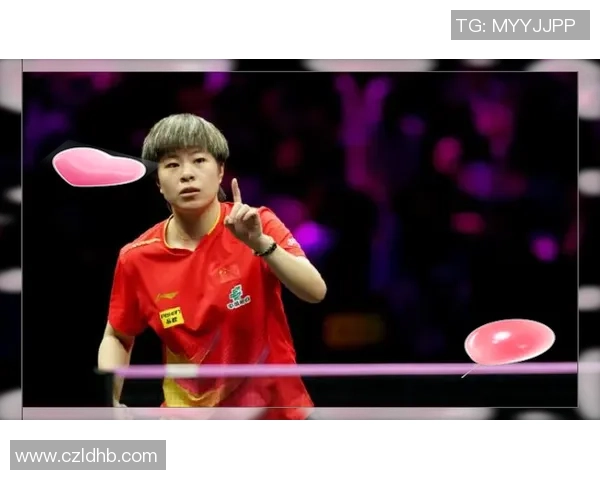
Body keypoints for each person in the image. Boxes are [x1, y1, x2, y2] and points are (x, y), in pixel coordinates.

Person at [97, 113, 326, 420]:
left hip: (277, 417)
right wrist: (109, 402)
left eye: (199, 161)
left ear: (220, 171)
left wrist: (260, 244)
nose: (186, 174)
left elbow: (315, 291)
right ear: (158, 182)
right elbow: (118, 336)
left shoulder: (258, 224)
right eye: (172, 164)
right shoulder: (136, 258)